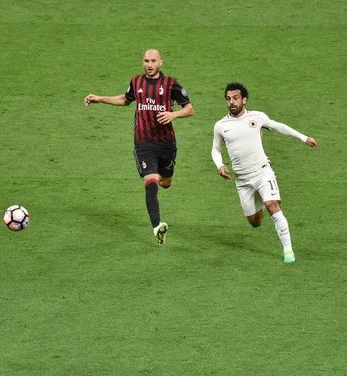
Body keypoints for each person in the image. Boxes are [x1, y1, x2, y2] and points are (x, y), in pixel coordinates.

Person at [84, 49, 194, 244]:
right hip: (144, 143)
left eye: (153, 61)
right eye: (146, 61)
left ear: (161, 62)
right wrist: (100, 98)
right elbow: (125, 100)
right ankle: (157, 226)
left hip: (167, 143)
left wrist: (173, 114)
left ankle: (156, 181)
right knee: (150, 181)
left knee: (165, 182)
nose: (149, 65)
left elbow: (189, 108)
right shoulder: (137, 82)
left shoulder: (170, 84)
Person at [211, 82, 318, 263]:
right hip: (243, 180)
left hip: (262, 172)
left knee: (272, 206)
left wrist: (304, 137)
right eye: (228, 99)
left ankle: (288, 251)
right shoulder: (221, 126)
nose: (232, 102)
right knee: (255, 222)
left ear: (244, 100)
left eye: (236, 98)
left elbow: (279, 127)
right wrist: (220, 165)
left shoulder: (257, 117)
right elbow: (215, 149)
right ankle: (263, 199)